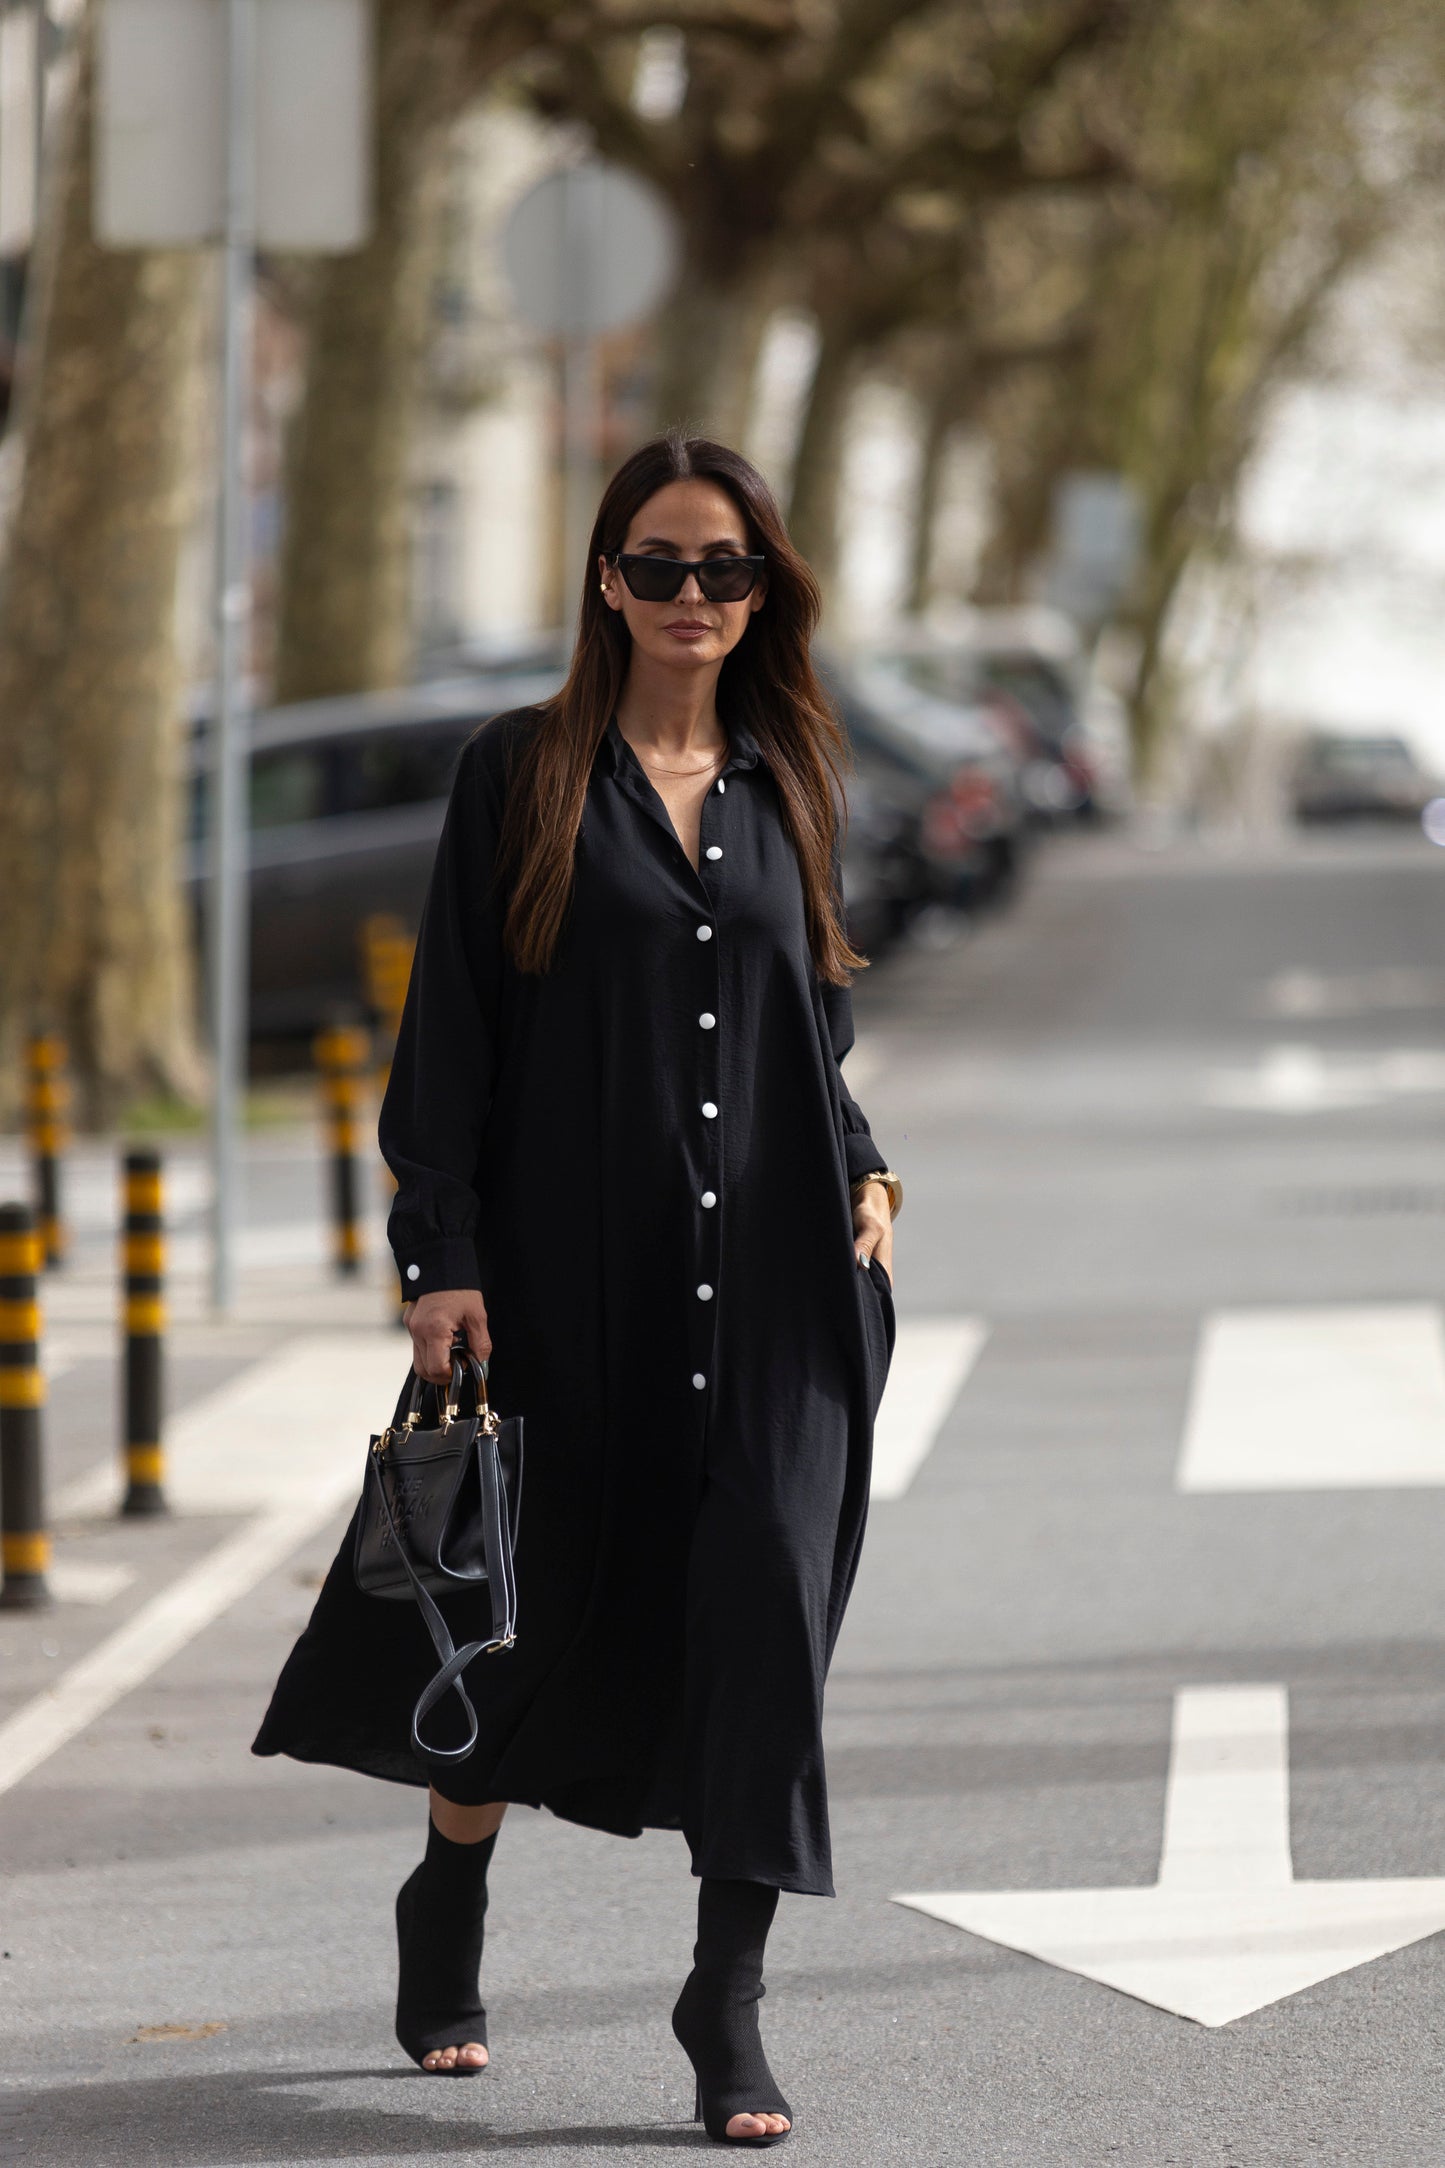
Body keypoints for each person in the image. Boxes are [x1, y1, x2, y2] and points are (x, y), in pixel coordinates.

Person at [253, 430, 900, 2146]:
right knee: (524, 1624)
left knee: (765, 1607)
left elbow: (810, 1035)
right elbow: (449, 1035)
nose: (698, 597)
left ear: (767, 593)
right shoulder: (521, 773)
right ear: (607, 580)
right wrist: (439, 1256)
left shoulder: (796, 777)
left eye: (730, 570)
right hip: (565, 1278)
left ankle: (726, 1995)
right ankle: (447, 1896)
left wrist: (865, 1171)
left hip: (776, 1289)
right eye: (665, 565)